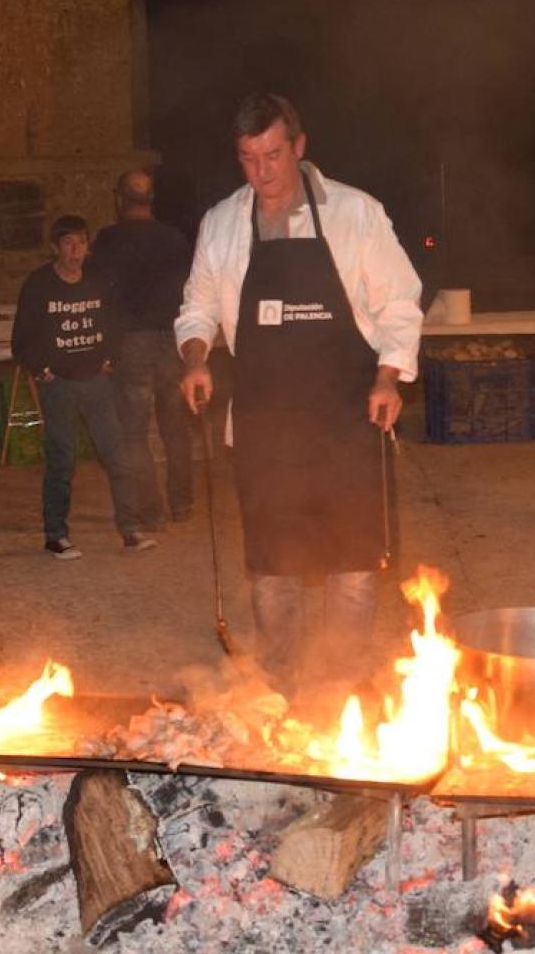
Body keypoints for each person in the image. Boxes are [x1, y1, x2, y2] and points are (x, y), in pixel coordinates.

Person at [176, 93, 423, 700]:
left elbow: (398, 302)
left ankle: (340, 684)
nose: (262, 173)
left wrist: (388, 377)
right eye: (248, 159)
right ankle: (278, 684)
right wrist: (196, 358)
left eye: (273, 155)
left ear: (299, 147)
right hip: (264, 422)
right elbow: (198, 307)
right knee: (272, 565)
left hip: (347, 416)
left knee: (354, 563)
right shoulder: (222, 222)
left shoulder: (355, 214)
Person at [13, 215, 154, 560]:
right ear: (55, 247)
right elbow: (23, 337)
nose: (75, 251)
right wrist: (41, 368)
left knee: (117, 455)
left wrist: (110, 359)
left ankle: (131, 530)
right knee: (62, 459)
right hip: (58, 383)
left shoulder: (98, 281)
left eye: (81, 242)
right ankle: (55, 535)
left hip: (96, 381)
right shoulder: (39, 285)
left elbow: (116, 323)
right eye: (68, 243)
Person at [90, 169, 196, 527]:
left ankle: (152, 512)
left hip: (132, 341)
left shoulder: (107, 240)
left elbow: (99, 295)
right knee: (174, 427)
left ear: (119, 198)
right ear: (151, 199)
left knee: (134, 432)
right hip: (172, 340)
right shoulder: (175, 239)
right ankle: (182, 503)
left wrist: (104, 346)